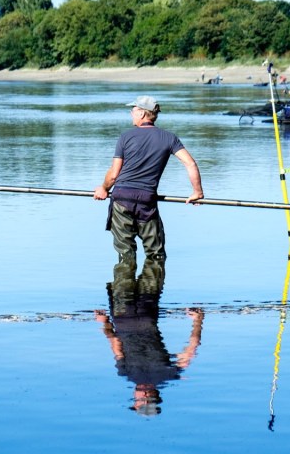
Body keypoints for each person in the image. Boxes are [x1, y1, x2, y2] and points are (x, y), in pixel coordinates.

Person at [94, 95, 203, 261]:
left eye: (133, 110)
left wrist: (103, 189)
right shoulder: (169, 138)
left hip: (122, 198)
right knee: (156, 255)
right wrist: (197, 192)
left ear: (143, 114)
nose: (131, 113)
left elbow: (114, 174)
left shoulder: (126, 137)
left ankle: (124, 285)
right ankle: (152, 286)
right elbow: (191, 164)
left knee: (126, 255)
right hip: (147, 200)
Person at [95, 257, 203, 415]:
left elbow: (192, 347)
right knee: (124, 264)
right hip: (122, 315)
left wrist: (198, 320)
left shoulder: (169, 375)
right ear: (145, 398)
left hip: (147, 314)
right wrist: (104, 322)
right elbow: (115, 342)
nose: (134, 397)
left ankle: (142, 241)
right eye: (136, 400)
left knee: (153, 263)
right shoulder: (126, 373)